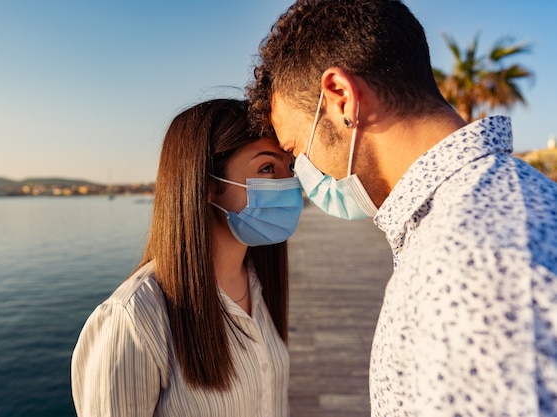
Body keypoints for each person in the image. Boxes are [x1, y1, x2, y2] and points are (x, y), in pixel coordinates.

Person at [246, 0, 557, 415]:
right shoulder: (489, 210)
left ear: (341, 98)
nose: (302, 170)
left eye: (296, 150)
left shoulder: (469, 266)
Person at [71, 99, 302, 417]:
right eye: (266, 168)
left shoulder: (260, 285)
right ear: (208, 185)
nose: (288, 184)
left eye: (289, 168)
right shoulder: (134, 321)